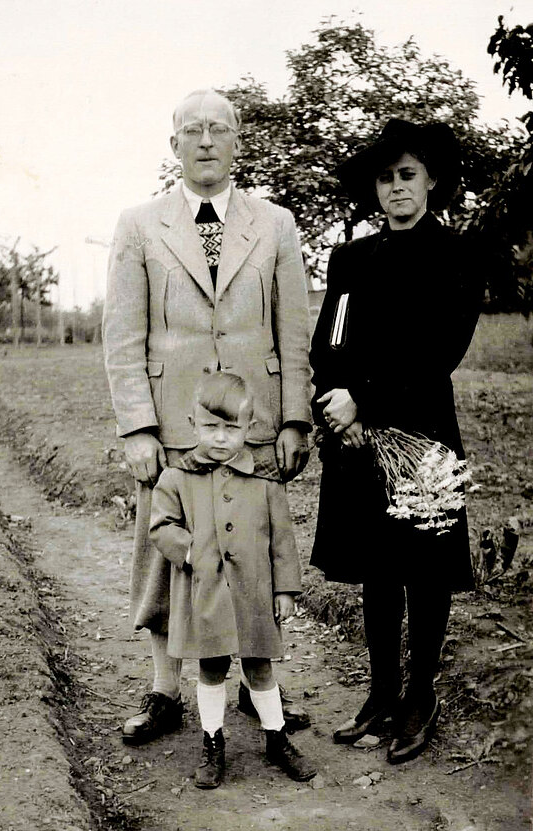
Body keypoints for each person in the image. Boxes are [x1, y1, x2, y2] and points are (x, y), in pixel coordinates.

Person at [102, 89, 312, 745]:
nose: (204, 140)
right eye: (190, 130)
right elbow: (121, 335)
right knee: (171, 555)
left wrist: (294, 419)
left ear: (237, 142)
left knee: (249, 555)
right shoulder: (139, 225)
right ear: (173, 146)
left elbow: (293, 329)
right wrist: (138, 426)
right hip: (172, 425)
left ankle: (256, 686)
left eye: (218, 129)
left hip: (252, 420)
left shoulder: (275, 224)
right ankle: (165, 691)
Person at [309, 119, 484, 764]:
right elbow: (329, 343)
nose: (396, 188)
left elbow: (439, 352)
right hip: (355, 438)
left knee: (423, 567)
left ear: (431, 180)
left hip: (422, 434)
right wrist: (334, 405)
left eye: (407, 175)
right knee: (377, 567)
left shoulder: (455, 256)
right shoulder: (351, 260)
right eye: (385, 178)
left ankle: (420, 697)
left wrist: (366, 400)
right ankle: (381, 694)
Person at [149, 372, 317, 788]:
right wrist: (190, 551)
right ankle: (212, 741)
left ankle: (276, 739)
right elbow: (160, 527)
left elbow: (282, 542)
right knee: (211, 668)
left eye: (231, 428)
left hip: (254, 593)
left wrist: (285, 590)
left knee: (259, 667)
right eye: (210, 427)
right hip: (207, 594)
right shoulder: (176, 478)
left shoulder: (265, 483)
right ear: (192, 424)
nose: (221, 438)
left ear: (249, 428)